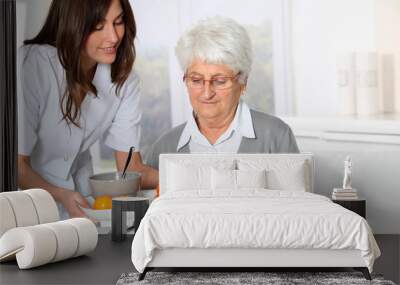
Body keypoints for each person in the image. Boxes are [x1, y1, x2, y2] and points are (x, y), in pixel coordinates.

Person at [17, 0, 157, 219]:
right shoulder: (34, 65)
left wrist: (188, 178)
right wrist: (61, 195)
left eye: (118, 22)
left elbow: (131, 168)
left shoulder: (124, 81)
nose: (113, 37)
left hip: (79, 205)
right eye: (98, 26)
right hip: (22, 207)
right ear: (73, 24)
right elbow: (16, 166)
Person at [145, 16, 299, 172]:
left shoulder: (277, 137)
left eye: (219, 81)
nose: (207, 93)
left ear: (243, 81)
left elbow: (298, 195)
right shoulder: (163, 148)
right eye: (196, 80)